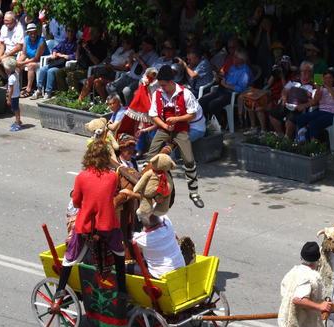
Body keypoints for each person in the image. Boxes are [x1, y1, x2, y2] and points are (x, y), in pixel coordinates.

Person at [53, 141, 129, 302]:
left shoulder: (81, 177)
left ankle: (60, 288)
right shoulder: (112, 177)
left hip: (85, 224)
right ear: (106, 158)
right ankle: (122, 289)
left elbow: (75, 202)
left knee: (71, 255)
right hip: (107, 224)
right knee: (119, 252)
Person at [146, 65, 205, 208]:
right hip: (164, 128)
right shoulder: (158, 93)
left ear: (171, 81)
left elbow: (192, 114)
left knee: (189, 160)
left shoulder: (185, 94)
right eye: (160, 85)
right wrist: (165, 126)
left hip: (181, 129)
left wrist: (176, 120)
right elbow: (153, 114)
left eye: (164, 85)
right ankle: (148, 188)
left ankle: (194, 193)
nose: (162, 87)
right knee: (150, 157)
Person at [199, 47, 253, 126]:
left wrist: (227, 85)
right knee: (202, 100)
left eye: (235, 56)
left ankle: (218, 123)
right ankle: (215, 120)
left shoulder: (246, 71)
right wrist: (219, 78)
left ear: (241, 59)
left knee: (212, 104)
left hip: (233, 95)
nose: (232, 57)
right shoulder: (234, 67)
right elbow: (227, 78)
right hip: (223, 90)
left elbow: (241, 89)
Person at [245, 56, 296, 135]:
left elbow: (286, 89)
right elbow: (268, 85)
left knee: (259, 107)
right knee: (251, 103)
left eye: (286, 64)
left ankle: (263, 130)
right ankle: (253, 127)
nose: (283, 66)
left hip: (281, 98)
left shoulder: (292, 75)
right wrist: (274, 73)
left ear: (289, 66)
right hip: (271, 96)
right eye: (282, 64)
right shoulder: (277, 73)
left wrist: (282, 76)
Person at [268, 61, 315, 138]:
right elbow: (285, 90)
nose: (303, 73)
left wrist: (303, 106)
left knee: (291, 118)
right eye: (302, 71)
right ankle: (280, 135)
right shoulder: (294, 79)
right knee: (273, 113)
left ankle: (287, 138)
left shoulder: (315, 84)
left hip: (299, 107)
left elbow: (315, 100)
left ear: (312, 72)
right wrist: (284, 99)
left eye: (306, 71)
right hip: (287, 103)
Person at [107, 36, 159, 106]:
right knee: (109, 87)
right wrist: (130, 59)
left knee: (126, 91)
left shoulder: (155, 57)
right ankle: (120, 106)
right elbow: (132, 69)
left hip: (139, 80)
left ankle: (129, 109)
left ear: (150, 47)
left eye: (144, 45)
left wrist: (141, 60)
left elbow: (150, 72)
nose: (141, 46)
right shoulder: (141, 52)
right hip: (129, 76)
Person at [130, 214, 185, 278]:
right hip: (181, 266)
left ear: (144, 224)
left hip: (160, 275)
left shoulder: (143, 239)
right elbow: (162, 212)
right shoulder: (168, 224)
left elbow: (128, 235)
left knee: (120, 267)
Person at [56, 26, 107, 93]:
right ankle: (63, 93)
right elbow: (77, 58)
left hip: (89, 69)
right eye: (90, 32)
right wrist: (78, 47)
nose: (90, 34)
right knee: (59, 72)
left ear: (98, 34)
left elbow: (96, 62)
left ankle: (73, 96)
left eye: (92, 32)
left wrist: (88, 50)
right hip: (79, 65)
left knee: (71, 75)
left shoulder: (101, 46)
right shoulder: (88, 43)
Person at [79, 36, 133, 100]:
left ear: (130, 45)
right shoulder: (120, 49)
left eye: (124, 42)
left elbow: (126, 68)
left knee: (97, 82)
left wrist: (112, 67)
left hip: (115, 73)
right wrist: (108, 62)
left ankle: (104, 101)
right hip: (107, 69)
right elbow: (112, 58)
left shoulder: (130, 53)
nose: (122, 43)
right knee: (89, 79)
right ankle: (79, 100)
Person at [32, 25, 77, 100]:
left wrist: (63, 55)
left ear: (75, 32)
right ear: (66, 31)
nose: (70, 33)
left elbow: (74, 56)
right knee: (43, 69)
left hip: (65, 64)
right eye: (68, 31)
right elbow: (55, 49)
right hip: (58, 61)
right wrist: (54, 54)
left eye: (72, 31)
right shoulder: (64, 41)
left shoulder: (76, 42)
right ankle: (39, 90)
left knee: (51, 71)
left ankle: (48, 91)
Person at [295, 70, 334, 142]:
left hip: (332, 114)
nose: (327, 79)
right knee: (299, 118)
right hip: (321, 112)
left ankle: (314, 147)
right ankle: (303, 141)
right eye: (325, 78)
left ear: (333, 79)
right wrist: (318, 88)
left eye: (329, 78)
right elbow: (316, 98)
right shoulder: (322, 88)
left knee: (313, 124)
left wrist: (325, 84)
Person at [0, 11, 23, 81]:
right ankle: (4, 76)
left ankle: (10, 83)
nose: (6, 22)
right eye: (5, 20)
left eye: (8, 20)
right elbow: (2, 44)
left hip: (15, 53)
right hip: (6, 51)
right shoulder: (4, 27)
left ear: (14, 20)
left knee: (5, 61)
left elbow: (18, 47)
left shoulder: (19, 28)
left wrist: (4, 56)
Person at [16, 23, 45, 98]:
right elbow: (24, 54)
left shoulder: (41, 41)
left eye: (34, 33)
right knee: (17, 65)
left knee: (30, 65)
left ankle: (29, 89)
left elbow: (36, 58)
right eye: (31, 33)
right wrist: (18, 62)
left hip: (42, 61)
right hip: (31, 60)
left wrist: (23, 62)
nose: (33, 35)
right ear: (28, 33)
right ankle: (16, 87)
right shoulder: (26, 39)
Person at [3, 57, 21, 131]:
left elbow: (11, 90)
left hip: (14, 96)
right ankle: (18, 120)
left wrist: (9, 99)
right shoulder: (15, 73)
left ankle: (18, 124)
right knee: (17, 109)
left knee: (15, 110)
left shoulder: (11, 78)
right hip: (17, 94)